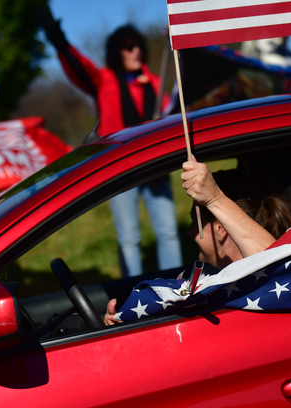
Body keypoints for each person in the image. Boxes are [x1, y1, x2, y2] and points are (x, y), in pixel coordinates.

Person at [36, 6, 182, 278]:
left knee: (169, 232)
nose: (135, 50)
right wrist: (57, 38)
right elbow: (77, 65)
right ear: (117, 51)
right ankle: (134, 296)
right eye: (128, 46)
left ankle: (176, 286)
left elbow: (172, 114)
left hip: (156, 166)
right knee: (129, 237)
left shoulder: (155, 82)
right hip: (120, 165)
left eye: (138, 45)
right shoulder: (104, 80)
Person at [104, 158, 291, 325]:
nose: (189, 231)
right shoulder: (214, 284)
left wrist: (215, 199)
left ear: (220, 229)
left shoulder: (259, 290)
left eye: (194, 221)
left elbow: (275, 274)